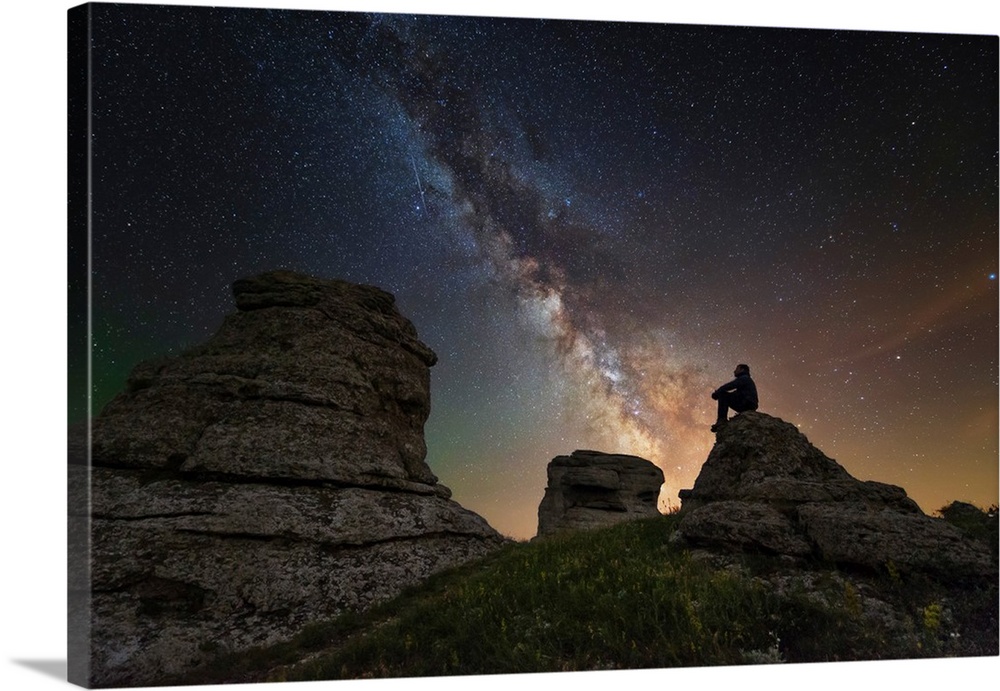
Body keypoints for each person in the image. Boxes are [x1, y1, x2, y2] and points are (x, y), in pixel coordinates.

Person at [710, 364, 758, 432]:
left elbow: (730, 386)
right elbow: (736, 394)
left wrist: (718, 392)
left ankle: (722, 420)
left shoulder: (744, 378)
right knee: (725, 395)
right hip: (748, 403)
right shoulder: (746, 380)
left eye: (737, 369)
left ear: (742, 369)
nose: (734, 371)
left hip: (746, 404)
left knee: (723, 395)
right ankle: (721, 421)